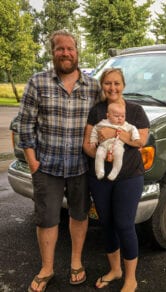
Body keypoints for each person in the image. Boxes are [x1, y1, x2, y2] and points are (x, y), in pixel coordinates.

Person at [18, 30, 101, 292]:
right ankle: (47, 268)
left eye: (70, 48)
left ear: (78, 52)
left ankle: (76, 262)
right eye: (60, 49)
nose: (66, 53)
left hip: (80, 168)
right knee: (47, 220)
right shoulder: (37, 82)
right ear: (52, 52)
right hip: (47, 168)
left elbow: (105, 121)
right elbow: (25, 124)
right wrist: (32, 161)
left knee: (78, 215)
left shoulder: (93, 87)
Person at [83, 68, 150, 292]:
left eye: (117, 83)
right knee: (107, 223)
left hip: (129, 176)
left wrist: (115, 134)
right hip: (100, 177)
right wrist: (101, 155)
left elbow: (140, 141)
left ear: (123, 85)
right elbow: (87, 144)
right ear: (102, 85)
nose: (112, 88)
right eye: (108, 83)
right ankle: (115, 270)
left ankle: (131, 277)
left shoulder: (135, 110)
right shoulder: (97, 111)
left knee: (124, 224)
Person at [90, 102, 143, 180]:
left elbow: (133, 129)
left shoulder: (125, 125)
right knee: (99, 154)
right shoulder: (103, 123)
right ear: (108, 116)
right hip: (103, 145)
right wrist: (93, 140)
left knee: (118, 155)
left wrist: (136, 138)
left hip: (117, 145)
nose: (120, 118)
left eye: (123, 116)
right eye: (116, 116)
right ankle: (100, 171)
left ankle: (115, 172)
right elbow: (95, 129)